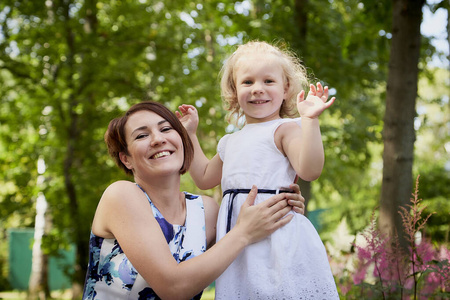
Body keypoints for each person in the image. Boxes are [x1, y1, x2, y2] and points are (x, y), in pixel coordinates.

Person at [82, 101, 306, 300]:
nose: (158, 139)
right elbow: (173, 288)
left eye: (166, 129)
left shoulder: (206, 211)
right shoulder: (121, 195)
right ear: (126, 159)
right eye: (142, 135)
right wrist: (243, 232)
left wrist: (284, 207)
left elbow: (252, 251)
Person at [177, 41, 339, 299]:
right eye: (248, 82)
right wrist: (190, 135)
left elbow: (309, 169)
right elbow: (204, 178)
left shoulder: (285, 129)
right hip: (237, 239)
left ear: (286, 89)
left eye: (268, 81)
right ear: (234, 90)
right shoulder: (229, 141)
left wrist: (310, 120)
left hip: (276, 234)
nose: (258, 90)